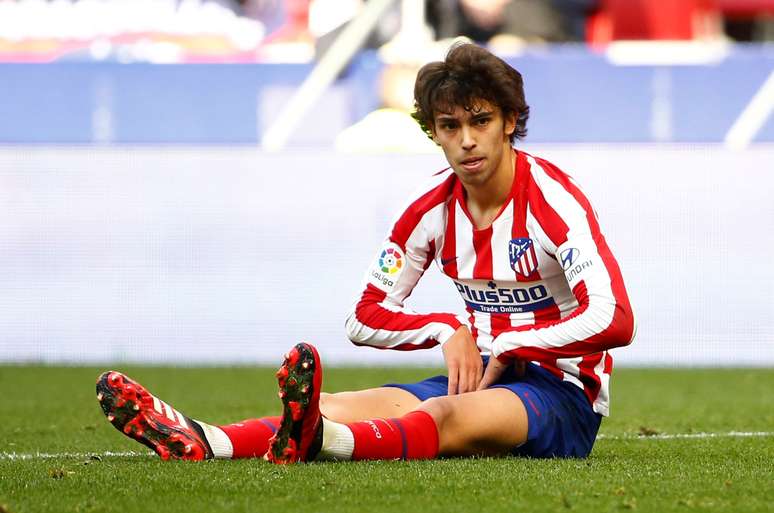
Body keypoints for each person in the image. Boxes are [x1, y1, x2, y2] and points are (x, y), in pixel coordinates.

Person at [96, 42, 636, 463]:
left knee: (442, 413)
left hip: (561, 394)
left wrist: (515, 343)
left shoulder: (553, 202)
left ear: (509, 122)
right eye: (450, 126)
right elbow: (363, 316)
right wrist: (447, 330)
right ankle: (204, 441)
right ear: (434, 134)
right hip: (480, 380)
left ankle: (322, 446)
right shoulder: (430, 211)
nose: (467, 140)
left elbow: (616, 318)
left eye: (481, 121)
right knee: (333, 405)